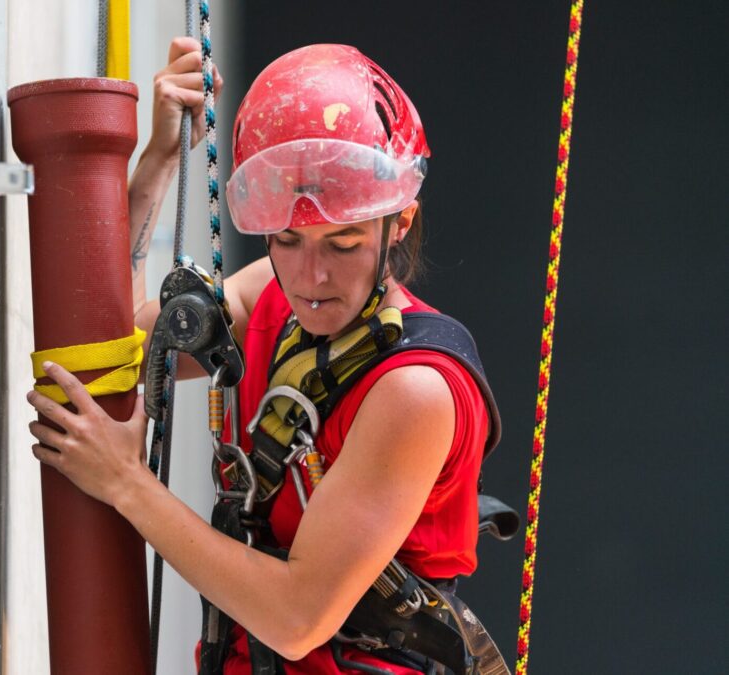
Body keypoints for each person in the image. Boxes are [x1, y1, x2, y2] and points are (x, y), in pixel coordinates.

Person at [26, 37, 499, 674]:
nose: (312, 276)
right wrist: (161, 159)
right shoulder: (273, 301)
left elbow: (298, 618)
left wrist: (128, 485)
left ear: (400, 223)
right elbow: (118, 353)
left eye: (344, 242)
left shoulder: (413, 388)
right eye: (289, 238)